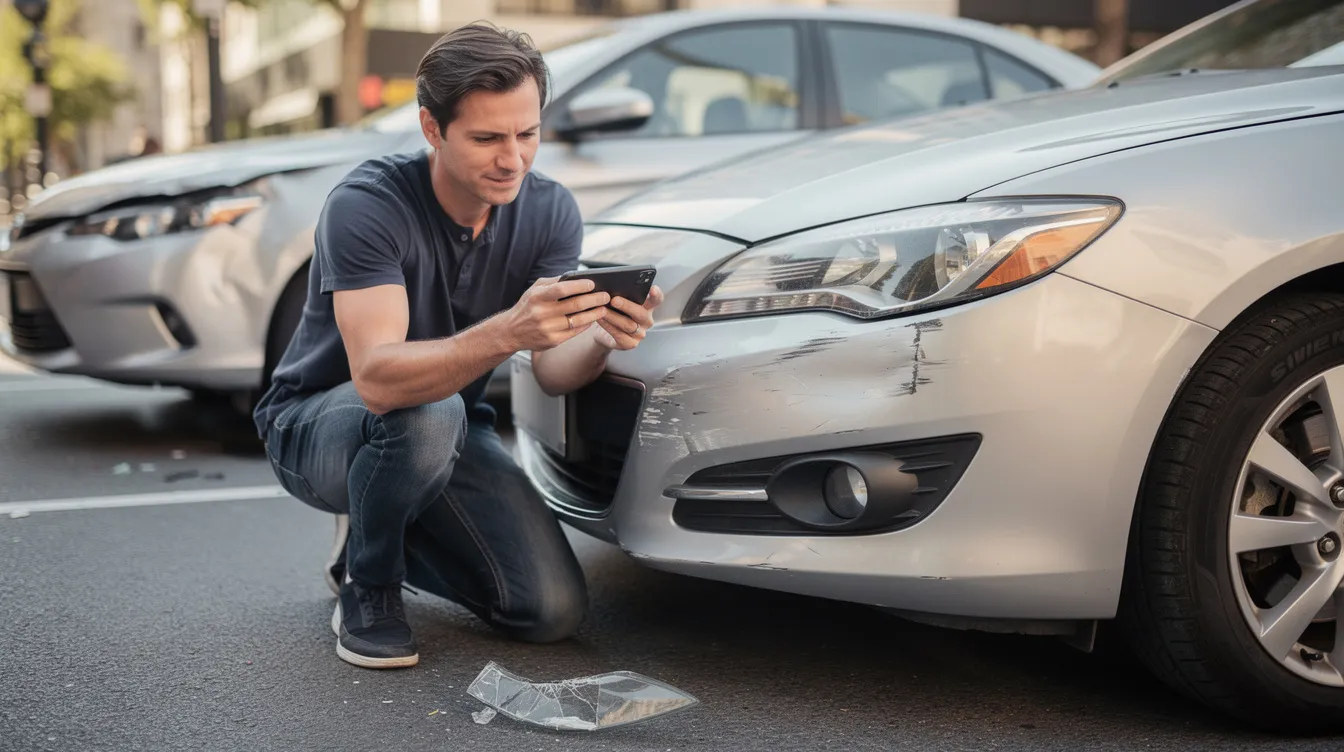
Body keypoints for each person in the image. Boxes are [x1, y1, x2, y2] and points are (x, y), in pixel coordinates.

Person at [252, 22, 663, 670]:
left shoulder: (550, 210)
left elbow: (554, 373)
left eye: (527, 134)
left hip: (445, 427)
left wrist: (602, 341)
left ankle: (382, 512)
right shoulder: (366, 204)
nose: (514, 159)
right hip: (316, 428)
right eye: (487, 138)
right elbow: (380, 381)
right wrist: (509, 330)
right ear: (431, 129)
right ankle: (370, 583)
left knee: (549, 611)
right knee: (426, 411)